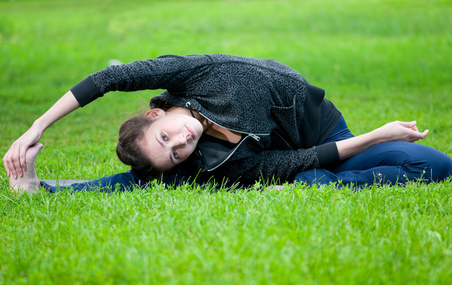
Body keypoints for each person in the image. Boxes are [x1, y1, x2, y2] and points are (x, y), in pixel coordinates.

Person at [4, 54, 452, 193]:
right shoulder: (215, 162)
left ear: (155, 112)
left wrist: (36, 126)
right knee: (166, 179)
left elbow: (110, 77)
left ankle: (317, 183)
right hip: (306, 156)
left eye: (167, 135)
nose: (182, 140)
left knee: (436, 164)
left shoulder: (193, 74)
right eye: (175, 149)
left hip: (327, 131)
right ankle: (44, 189)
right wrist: (381, 135)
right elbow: (300, 159)